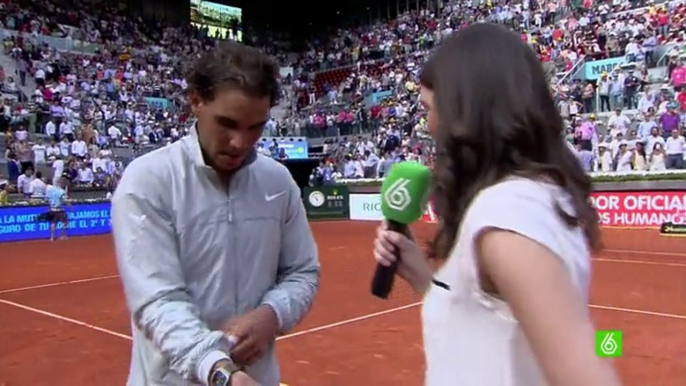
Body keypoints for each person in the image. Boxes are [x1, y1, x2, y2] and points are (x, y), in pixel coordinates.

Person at [372, 24, 621, 386]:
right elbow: (490, 326)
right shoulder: (524, 200)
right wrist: (421, 276)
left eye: (429, 108)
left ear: (464, 111)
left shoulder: (506, 215)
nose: (427, 125)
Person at [112, 42, 320, 386]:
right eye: (227, 123)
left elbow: (303, 271)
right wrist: (221, 372)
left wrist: (273, 313)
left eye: (256, 127)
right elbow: (157, 300)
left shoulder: (278, 181)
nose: (241, 142)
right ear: (195, 101)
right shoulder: (148, 180)